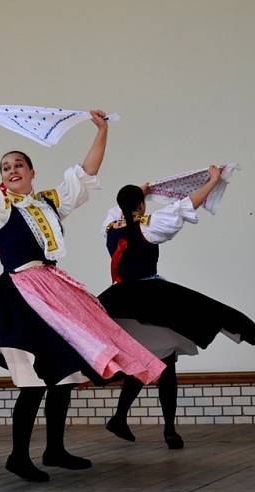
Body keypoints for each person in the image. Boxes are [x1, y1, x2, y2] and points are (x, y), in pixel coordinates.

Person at [0, 104, 165, 482]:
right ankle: (18, 456)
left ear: (31, 172)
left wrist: (101, 130)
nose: (11, 171)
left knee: (63, 373)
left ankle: (55, 449)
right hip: (21, 295)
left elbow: (87, 173)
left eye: (18, 165)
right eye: (6, 167)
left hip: (55, 289)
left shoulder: (48, 202)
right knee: (32, 378)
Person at [100, 168, 255, 448]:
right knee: (170, 356)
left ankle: (122, 418)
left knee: (147, 360)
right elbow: (186, 206)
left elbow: (119, 209)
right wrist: (212, 181)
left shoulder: (111, 224)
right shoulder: (147, 224)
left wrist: (140, 192)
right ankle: (168, 430)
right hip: (148, 298)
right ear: (140, 205)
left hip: (119, 301)